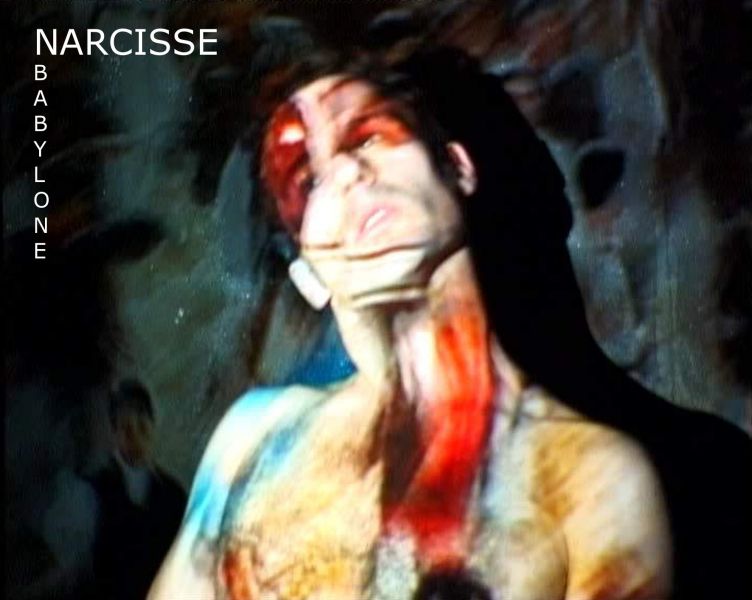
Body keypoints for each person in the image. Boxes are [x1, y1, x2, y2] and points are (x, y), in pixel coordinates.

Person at [150, 47, 750, 600]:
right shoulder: (253, 445)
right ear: (306, 272)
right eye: (308, 180)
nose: (348, 173)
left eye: (368, 136)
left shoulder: (590, 476)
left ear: (458, 167)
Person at [88, 379, 187, 600]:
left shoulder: (173, 495)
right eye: (126, 428)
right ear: (114, 433)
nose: (136, 436)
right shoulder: (95, 491)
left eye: (142, 426)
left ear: (152, 426)